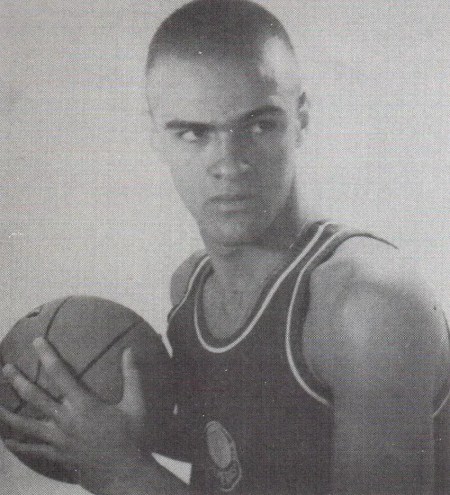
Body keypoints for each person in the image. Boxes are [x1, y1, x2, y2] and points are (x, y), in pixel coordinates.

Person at [0, 0, 448, 493]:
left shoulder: (368, 306)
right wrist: (95, 427)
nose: (229, 164)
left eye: (258, 126)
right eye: (194, 133)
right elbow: (245, 450)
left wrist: (121, 472)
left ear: (301, 119)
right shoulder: (191, 289)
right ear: (155, 135)